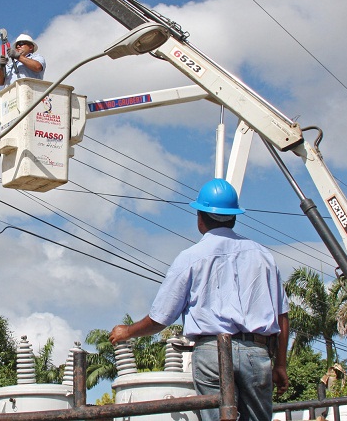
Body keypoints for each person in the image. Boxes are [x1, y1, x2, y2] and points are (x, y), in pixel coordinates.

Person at [108, 178, 289, 421]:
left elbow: (161, 318)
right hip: (256, 354)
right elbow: (282, 316)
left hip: (211, 353)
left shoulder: (190, 258)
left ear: (200, 219)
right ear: (234, 216)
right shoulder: (263, 256)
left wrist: (127, 332)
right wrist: (280, 365)